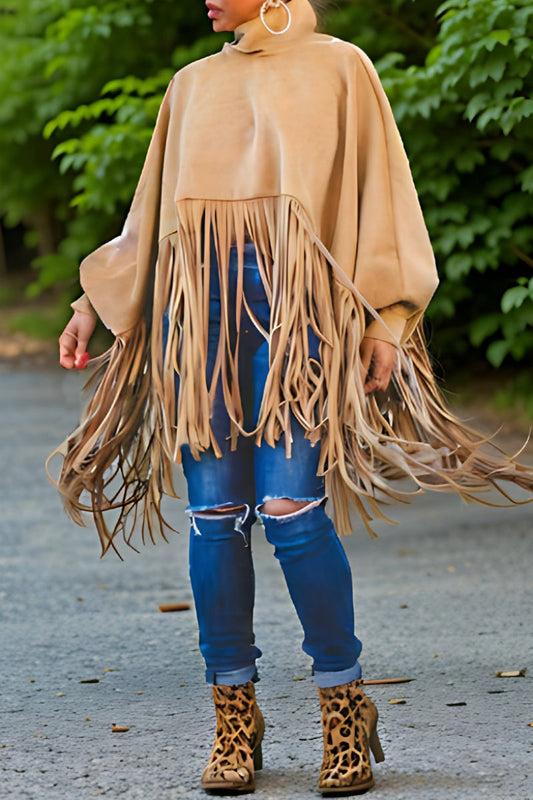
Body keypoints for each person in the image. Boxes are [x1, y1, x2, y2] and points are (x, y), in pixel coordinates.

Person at [54, 0, 533, 795]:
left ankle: (343, 706)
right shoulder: (190, 85)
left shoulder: (342, 68)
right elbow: (148, 221)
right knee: (212, 520)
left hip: (300, 318)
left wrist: (388, 320)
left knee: (290, 512)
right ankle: (233, 720)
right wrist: (89, 306)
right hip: (199, 324)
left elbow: (384, 200)